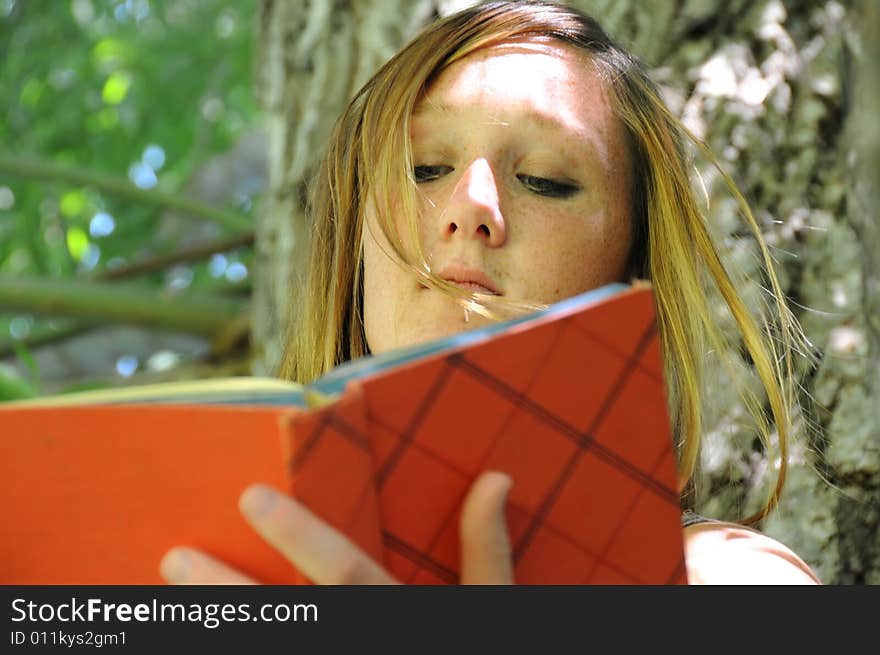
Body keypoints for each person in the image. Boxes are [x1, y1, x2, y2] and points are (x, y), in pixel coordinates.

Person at [159, 0, 821, 585]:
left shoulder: (727, 576)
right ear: (353, 251)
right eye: (423, 168)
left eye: (545, 180)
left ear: (632, 273)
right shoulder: (200, 574)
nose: (473, 204)